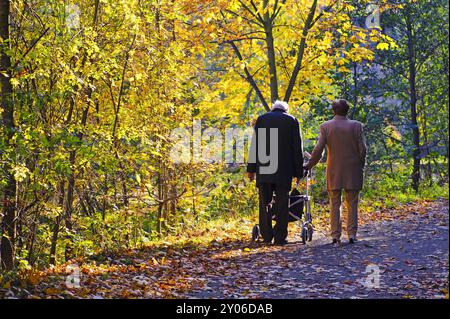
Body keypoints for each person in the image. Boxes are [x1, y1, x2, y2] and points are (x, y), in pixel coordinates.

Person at [304, 99, 367, 245]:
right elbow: (363, 149)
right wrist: (360, 164)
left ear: (334, 111)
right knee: (352, 203)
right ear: (347, 110)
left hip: (334, 170)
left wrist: (310, 165)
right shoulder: (356, 126)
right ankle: (352, 234)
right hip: (353, 169)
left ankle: (335, 235)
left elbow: (318, 149)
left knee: (334, 203)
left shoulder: (326, 126)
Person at [247, 100, 304, 246]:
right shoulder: (292, 120)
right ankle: (280, 237)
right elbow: (297, 148)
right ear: (285, 110)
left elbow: (255, 145)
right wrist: (299, 171)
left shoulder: (262, 119)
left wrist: (251, 169)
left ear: (273, 109)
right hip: (284, 170)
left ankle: (266, 236)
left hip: (264, 168)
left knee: (264, 202)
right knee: (282, 203)